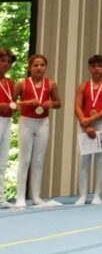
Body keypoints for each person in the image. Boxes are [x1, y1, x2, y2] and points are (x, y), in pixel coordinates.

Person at [15, 54, 62, 208]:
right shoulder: (22, 84)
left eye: (42, 65)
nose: (39, 68)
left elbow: (59, 103)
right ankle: (20, 197)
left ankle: (36, 197)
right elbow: (12, 104)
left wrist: (51, 103)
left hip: (43, 123)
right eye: (35, 65)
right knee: (24, 159)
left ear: (45, 67)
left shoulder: (51, 84)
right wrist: (27, 103)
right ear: (30, 68)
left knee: (39, 160)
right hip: (26, 123)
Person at [73, 54, 102, 206]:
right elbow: (77, 107)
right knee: (84, 160)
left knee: (101, 160)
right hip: (86, 126)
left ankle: (98, 195)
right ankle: (83, 195)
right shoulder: (82, 86)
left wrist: (91, 119)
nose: (96, 69)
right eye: (93, 66)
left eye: (100, 66)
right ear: (89, 68)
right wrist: (86, 124)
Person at [0, 48, 13, 208]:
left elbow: (12, 102)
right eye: (2, 60)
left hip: (7, 120)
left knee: (2, 160)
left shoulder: (9, 82)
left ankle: (0, 198)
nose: (6, 64)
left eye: (9, 62)